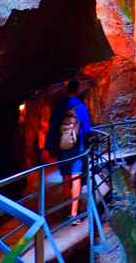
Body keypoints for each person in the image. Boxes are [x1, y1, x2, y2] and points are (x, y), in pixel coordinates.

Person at [45, 80, 90, 221]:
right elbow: (87, 129)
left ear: (66, 89)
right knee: (75, 177)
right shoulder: (82, 107)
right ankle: (75, 214)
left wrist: (47, 147)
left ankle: (66, 208)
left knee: (65, 177)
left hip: (62, 148)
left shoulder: (59, 108)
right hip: (78, 147)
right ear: (77, 90)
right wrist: (84, 141)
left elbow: (52, 129)